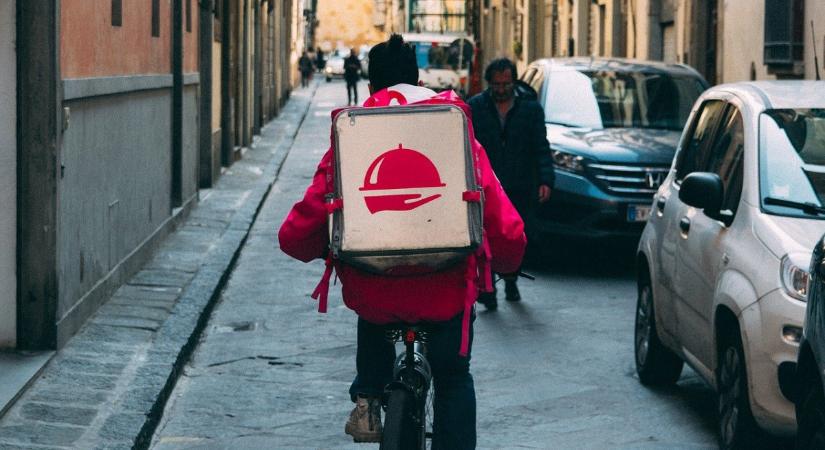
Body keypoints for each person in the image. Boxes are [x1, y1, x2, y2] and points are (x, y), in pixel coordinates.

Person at [278, 35, 525, 449]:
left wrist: (311, 246)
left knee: (370, 300)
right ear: (418, 79)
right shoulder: (453, 127)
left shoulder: (353, 133)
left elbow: (302, 225)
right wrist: (508, 259)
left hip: (376, 294)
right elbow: (498, 214)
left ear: (373, 86)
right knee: (453, 377)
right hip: (446, 291)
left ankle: (369, 396)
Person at [467, 58, 555, 311]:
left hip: (521, 184)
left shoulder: (530, 109)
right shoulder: (477, 107)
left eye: (506, 84)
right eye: (496, 84)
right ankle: (489, 290)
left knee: (515, 238)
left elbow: (541, 146)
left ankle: (511, 279)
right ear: (489, 83)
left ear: (513, 82)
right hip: (488, 186)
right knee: (488, 239)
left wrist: (546, 180)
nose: (501, 89)